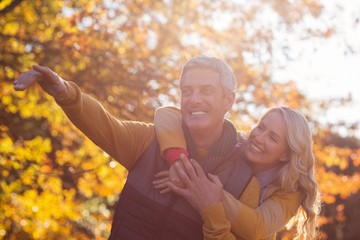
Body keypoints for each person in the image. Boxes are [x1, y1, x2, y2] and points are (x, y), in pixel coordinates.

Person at [13, 56, 255, 240]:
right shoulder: (150, 140)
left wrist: (209, 207)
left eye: (206, 91)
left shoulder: (245, 177)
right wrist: (65, 92)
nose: (194, 100)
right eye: (187, 91)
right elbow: (106, 125)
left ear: (228, 101)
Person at [153, 106, 321, 239]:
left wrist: (204, 188)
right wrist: (177, 161)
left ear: (285, 154)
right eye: (261, 127)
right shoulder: (234, 143)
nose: (259, 138)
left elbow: (257, 227)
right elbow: (166, 113)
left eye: (273, 138)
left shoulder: (291, 188)